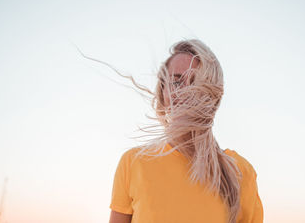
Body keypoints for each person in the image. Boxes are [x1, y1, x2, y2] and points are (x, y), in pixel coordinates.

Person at [106, 39, 263, 223]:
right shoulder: (133, 163)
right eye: (177, 82)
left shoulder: (240, 172)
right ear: (162, 93)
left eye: (197, 83)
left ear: (213, 97)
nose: (185, 92)